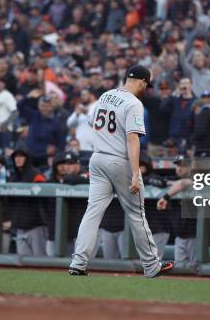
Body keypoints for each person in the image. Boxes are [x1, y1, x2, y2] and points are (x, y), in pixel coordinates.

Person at [69, 65, 174, 277]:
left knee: (92, 212)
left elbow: (92, 124)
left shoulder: (106, 95)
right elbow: (132, 138)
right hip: (119, 161)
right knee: (137, 214)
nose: (145, 88)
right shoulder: (134, 103)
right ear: (141, 81)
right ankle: (151, 265)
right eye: (146, 84)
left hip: (97, 159)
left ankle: (78, 263)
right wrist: (136, 173)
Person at [156, 155, 197, 268]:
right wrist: (169, 182)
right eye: (178, 165)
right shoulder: (173, 179)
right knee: (179, 270)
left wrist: (165, 197)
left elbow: (183, 183)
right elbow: (154, 179)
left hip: (195, 237)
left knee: (196, 270)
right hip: (179, 236)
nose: (179, 168)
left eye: (183, 166)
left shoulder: (197, 177)